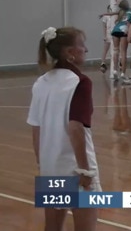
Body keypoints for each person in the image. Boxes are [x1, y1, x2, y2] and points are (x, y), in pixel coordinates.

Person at [28, 27, 100, 231]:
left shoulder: (40, 83)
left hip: (50, 167)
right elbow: (75, 127)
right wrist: (85, 170)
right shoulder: (80, 82)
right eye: (81, 45)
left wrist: (42, 165)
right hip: (75, 168)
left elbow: (36, 130)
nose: (86, 49)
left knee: (52, 227)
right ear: (70, 53)